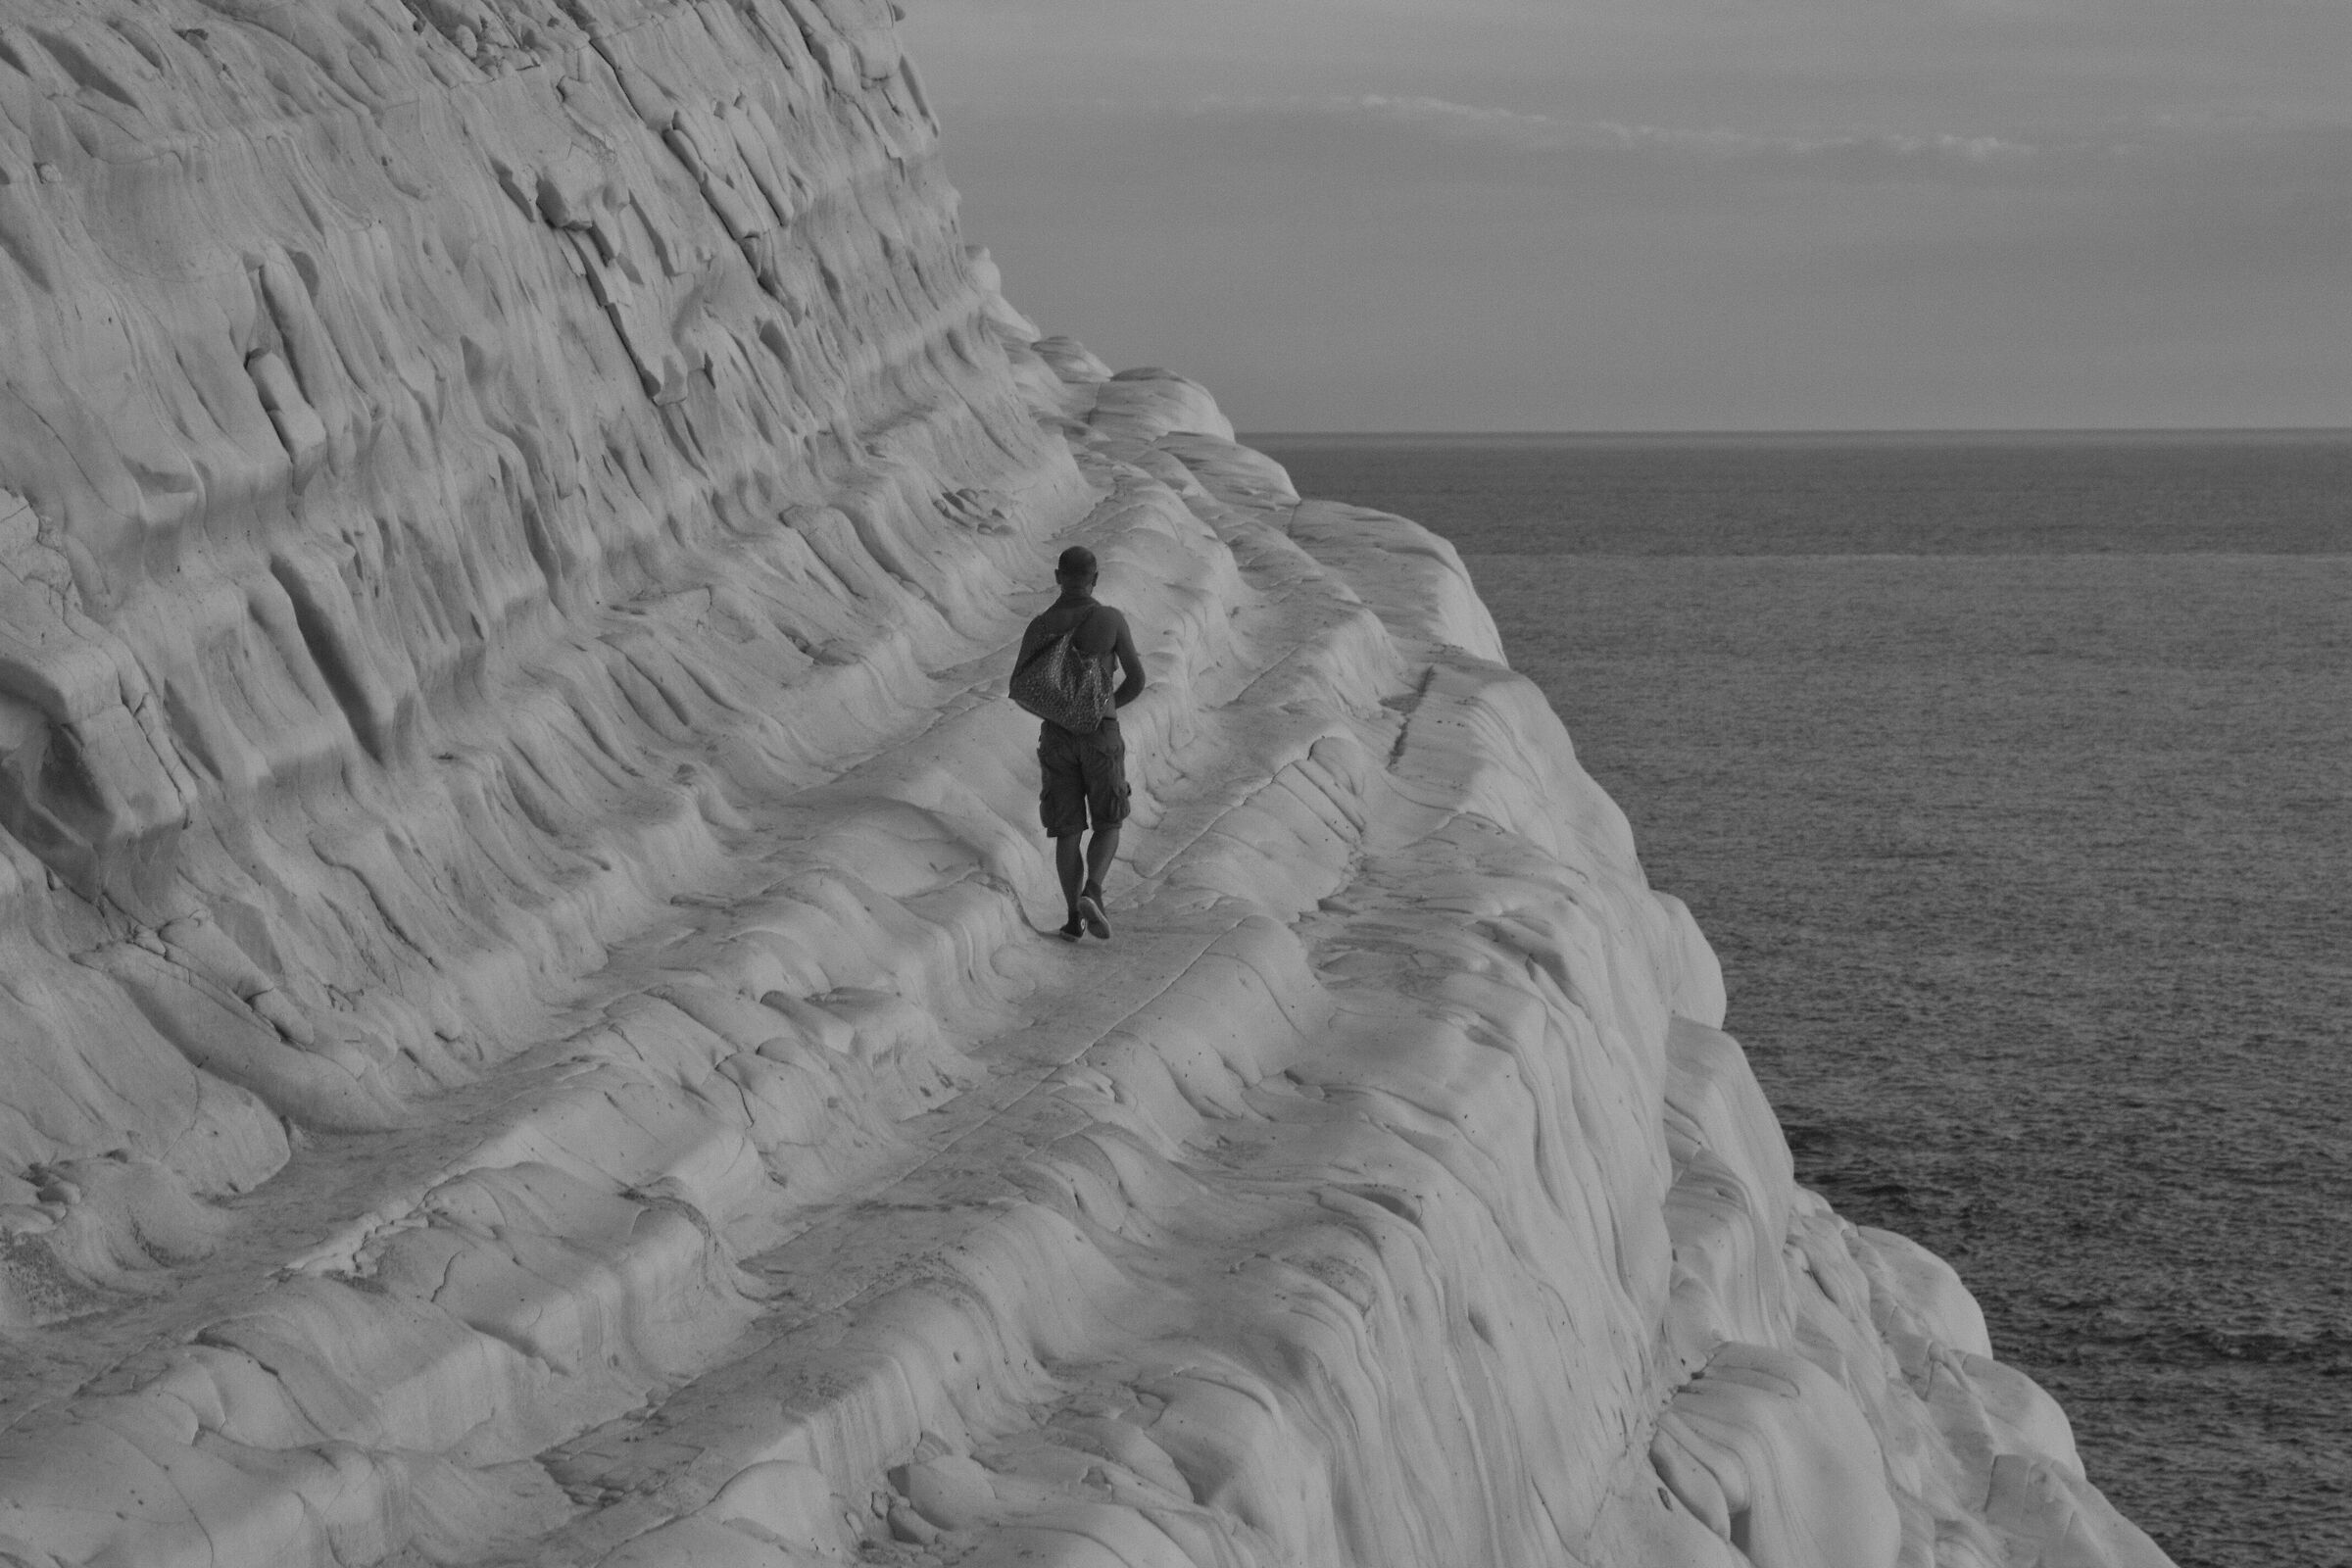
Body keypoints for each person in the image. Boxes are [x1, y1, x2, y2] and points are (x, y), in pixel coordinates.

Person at [1013, 545, 1146, 941]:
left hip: (1056, 737)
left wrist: (1063, 712)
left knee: (1067, 829)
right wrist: (1105, 709)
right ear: (1095, 579)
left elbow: (1021, 686)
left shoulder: (1040, 626)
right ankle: (1093, 891)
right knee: (1109, 819)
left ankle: (1073, 916)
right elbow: (1137, 679)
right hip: (1100, 734)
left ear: (1058, 577)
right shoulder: (1109, 620)